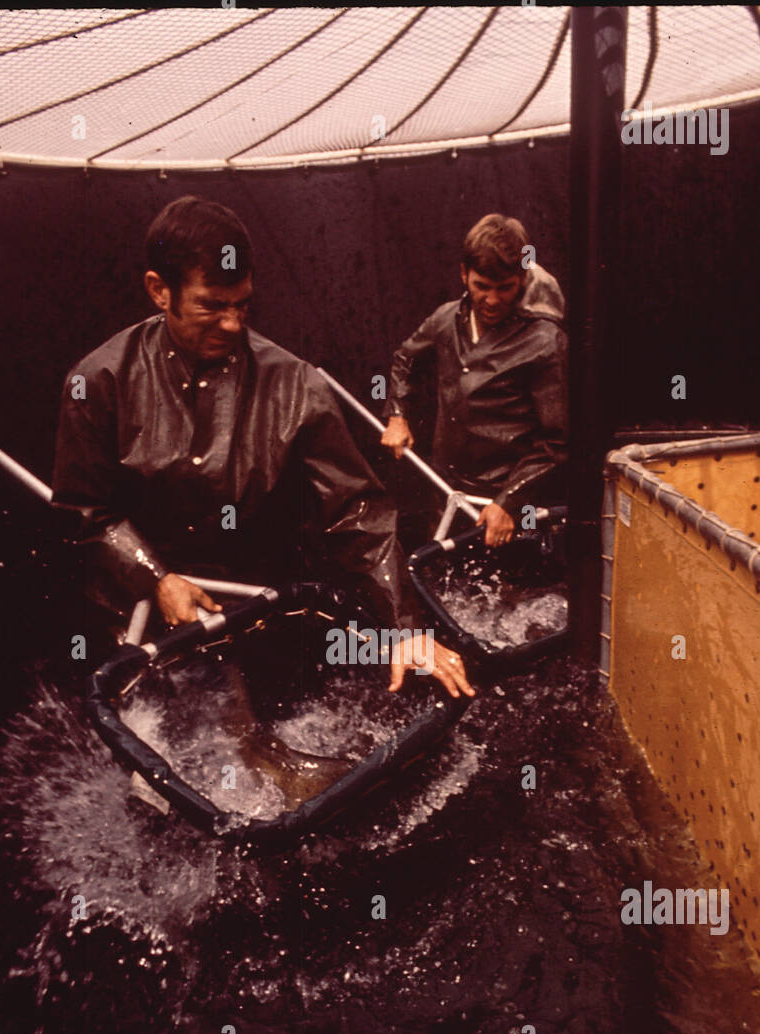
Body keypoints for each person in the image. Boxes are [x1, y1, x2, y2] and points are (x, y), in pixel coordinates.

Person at [52, 197, 473, 700]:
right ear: (159, 291)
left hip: (259, 612)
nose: (232, 325)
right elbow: (85, 514)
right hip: (136, 620)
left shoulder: (294, 384)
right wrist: (156, 579)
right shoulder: (98, 380)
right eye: (212, 305)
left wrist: (405, 628)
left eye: (242, 304)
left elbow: (357, 512)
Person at [380, 214, 567, 548]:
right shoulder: (445, 319)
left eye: (505, 287)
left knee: (514, 596)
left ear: (522, 279)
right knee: (443, 585)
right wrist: (397, 414)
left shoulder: (545, 341)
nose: (492, 300)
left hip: (506, 507)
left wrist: (509, 501)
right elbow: (404, 358)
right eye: (482, 286)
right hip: (445, 491)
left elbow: (557, 443)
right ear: (464, 274)